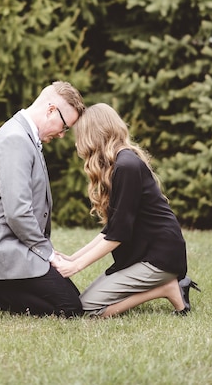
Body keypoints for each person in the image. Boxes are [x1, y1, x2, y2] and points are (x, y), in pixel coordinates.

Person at [0, 81, 86, 318]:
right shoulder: (15, 139)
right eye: (65, 126)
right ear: (50, 109)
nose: (63, 134)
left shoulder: (25, 135)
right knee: (70, 307)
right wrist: (48, 254)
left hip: (12, 247)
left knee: (70, 301)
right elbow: (17, 213)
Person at [52, 103, 200, 317]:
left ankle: (167, 288)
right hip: (147, 254)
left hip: (160, 258)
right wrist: (73, 258)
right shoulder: (121, 163)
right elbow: (113, 228)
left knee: (87, 309)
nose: (77, 143)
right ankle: (167, 286)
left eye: (79, 135)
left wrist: (75, 268)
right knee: (84, 303)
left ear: (94, 135)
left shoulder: (126, 166)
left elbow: (118, 235)